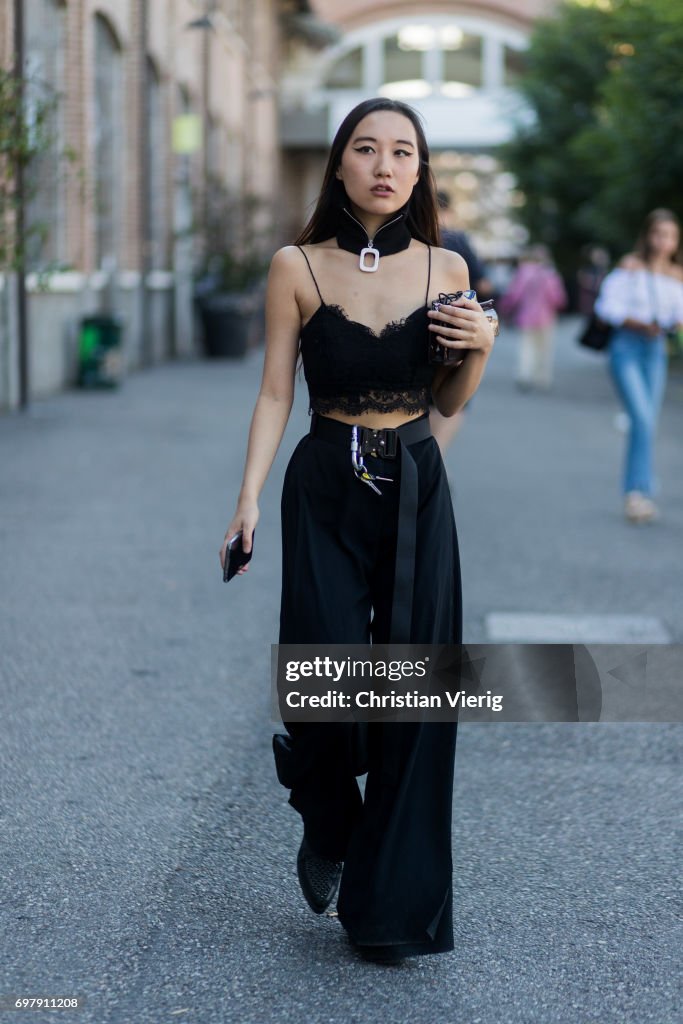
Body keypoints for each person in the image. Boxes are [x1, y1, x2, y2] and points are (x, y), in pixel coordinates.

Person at [219, 97, 496, 963]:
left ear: (419, 172)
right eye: (366, 149)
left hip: (414, 481)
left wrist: (478, 349)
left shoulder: (446, 270)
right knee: (326, 680)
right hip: (323, 482)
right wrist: (248, 500)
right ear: (337, 164)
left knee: (414, 695)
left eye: (402, 152)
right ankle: (329, 821)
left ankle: (390, 914)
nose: (384, 164)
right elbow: (274, 392)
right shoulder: (294, 264)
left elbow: (447, 401)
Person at [594, 208, 683, 523]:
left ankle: (640, 489)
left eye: (670, 235)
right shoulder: (630, 268)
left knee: (647, 422)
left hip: (656, 351)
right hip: (626, 348)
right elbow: (606, 307)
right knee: (643, 420)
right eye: (658, 234)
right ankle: (636, 493)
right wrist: (637, 322)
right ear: (647, 236)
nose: (663, 241)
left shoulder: (676, 276)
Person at [430, 189, 493, 455]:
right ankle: (437, 455)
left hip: (422, 324)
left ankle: (429, 457)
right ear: (449, 210)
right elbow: (482, 284)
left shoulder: (414, 238)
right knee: (452, 398)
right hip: (457, 328)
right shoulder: (457, 238)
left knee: (426, 397)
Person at [500, 244, 567, 391]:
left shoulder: (523, 272)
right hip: (546, 316)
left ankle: (524, 374)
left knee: (526, 347)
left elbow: (514, 294)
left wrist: (505, 308)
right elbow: (557, 298)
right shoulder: (550, 274)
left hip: (526, 315)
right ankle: (542, 377)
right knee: (544, 348)